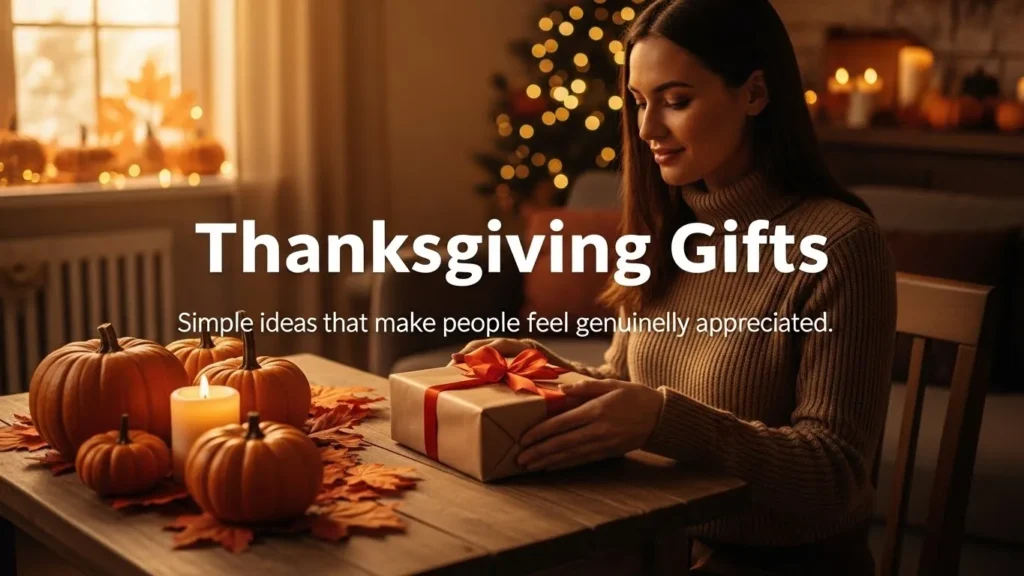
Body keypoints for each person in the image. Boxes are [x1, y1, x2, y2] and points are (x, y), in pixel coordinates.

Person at [453, 0, 897, 573]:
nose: (645, 129)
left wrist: (664, 420)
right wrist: (549, 372)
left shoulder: (842, 246)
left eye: (676, 100)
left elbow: (834, 473)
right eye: (639, 102)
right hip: (656, 544)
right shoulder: (668, 227)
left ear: (755, 94)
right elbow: (628, 385)